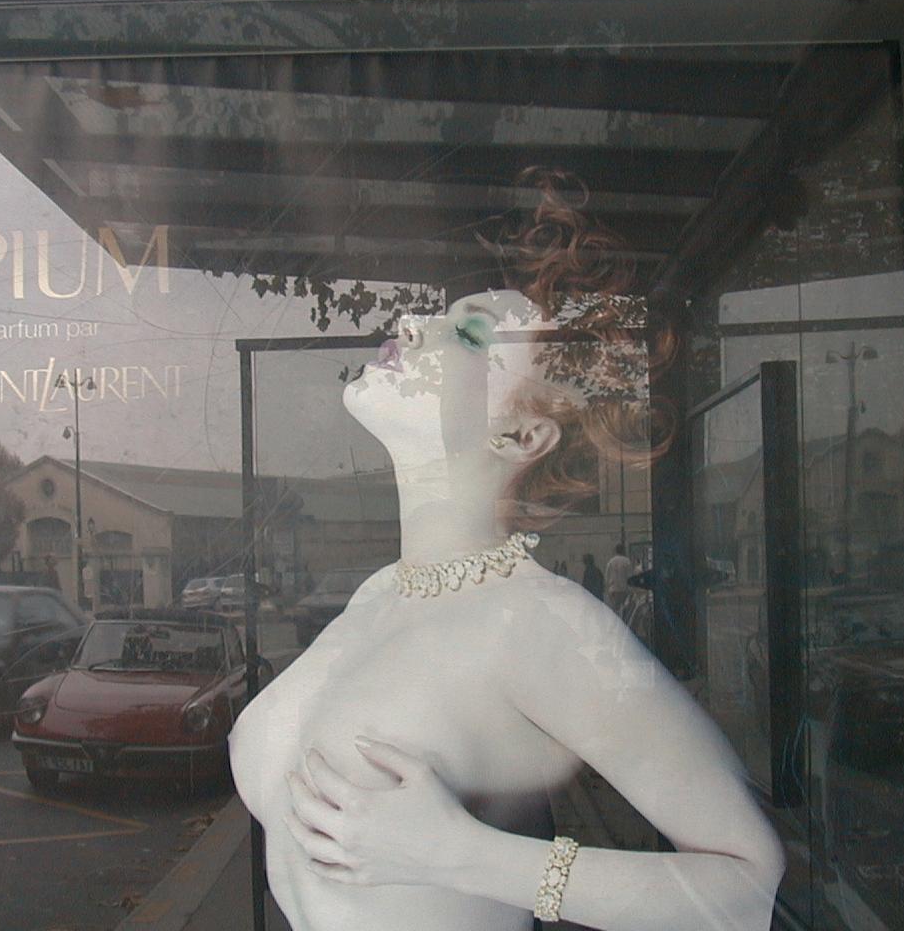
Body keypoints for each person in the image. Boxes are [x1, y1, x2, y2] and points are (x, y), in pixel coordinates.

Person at [228, 173, 782, 931]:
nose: (413, 326)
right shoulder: (380, 594)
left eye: (472, 337)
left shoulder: (538, 622)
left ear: (521, 436)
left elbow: (748, 886)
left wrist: (461, 855)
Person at [604, 542, 633, 615]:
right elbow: (630, 576)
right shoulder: (627, 561)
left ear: (616, 551)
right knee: (625, 609)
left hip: (613, 590)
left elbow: (607, 576)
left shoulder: (611, 561)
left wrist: (608, 587)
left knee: (615, 610)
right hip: (624, 589)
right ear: (623, 550)